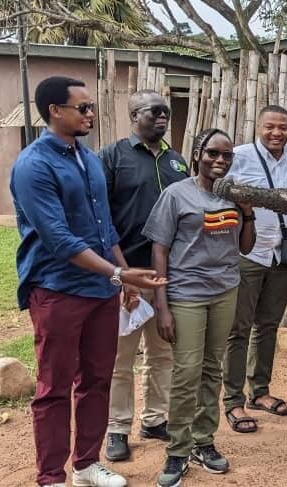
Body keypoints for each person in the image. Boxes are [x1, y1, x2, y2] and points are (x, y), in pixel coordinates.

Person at [10, 76, 166, 487]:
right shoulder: (33, 165)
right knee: (54, 388)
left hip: (100, 290)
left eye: (92, 107)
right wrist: (118, 272)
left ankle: (85, 466)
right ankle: (51, 478)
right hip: (57, 289)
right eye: (82, 108)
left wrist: (122, 279)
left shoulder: (89, 158)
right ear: (54, 112)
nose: (91, 114)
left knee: (96, 381)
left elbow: (105, 227)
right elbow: (59, 238)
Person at [144, 128, 256, 487]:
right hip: (186, 293)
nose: (219, 160)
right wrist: (161, 305)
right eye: (212, 153)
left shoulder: (234, 196)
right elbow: (159, 249)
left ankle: (203, 442)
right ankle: (177, 450)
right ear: (197, 154)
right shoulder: (176, 194)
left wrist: (249, 213)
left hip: (225, 291)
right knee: (187, 370)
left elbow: (245, 248)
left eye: (226, 155)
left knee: (212, 369)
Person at [99, 90, 188, 461]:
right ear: (135, 115)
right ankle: (117, 428)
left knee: (162, 354)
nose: (163, 117)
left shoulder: (177, 161)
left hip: (167, 277)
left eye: (166, 112)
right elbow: (101, 220)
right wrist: (122, 277)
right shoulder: (112, 157)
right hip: (126, 275)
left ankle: (155, 419)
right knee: (121, 358)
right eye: (155, 111)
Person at [222, 105, 287, 432]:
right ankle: (232, 400)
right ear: (258, 127)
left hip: (282, 256)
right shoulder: (239, 157)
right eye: (270, 127)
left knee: (268, 325)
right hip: (247, 255)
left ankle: (259, 391)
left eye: (283, 128)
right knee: (238, 328)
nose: (277, 133)